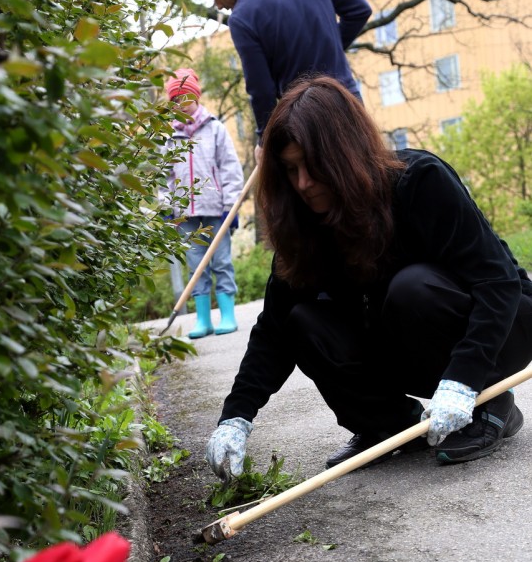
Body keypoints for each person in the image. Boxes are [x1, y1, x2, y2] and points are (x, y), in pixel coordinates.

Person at [206, 75, 532, 479]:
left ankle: (491, 402)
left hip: (502, 329)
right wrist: (235, 418)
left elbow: (497, 283)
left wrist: (465, 380)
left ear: (344, 153)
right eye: (291, 170)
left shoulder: (419, 182)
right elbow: (273, 331)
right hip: (407, 343)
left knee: (411, 288)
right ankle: (389, 423)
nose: (303, 184)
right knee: (302, 322)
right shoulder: (307, 225)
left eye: (313, 165)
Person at [213, 0, 371, 155]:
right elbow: (360, 11)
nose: (218, 5)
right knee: (369, 174)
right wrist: (329, 49)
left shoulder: (242, 17)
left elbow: (261, 90)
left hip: (308, 118)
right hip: (348, 101)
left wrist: (265, 141)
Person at [161, 68, 245, 339]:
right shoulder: (169, 137)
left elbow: (230, 168)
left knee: (221, 261)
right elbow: (163, 176)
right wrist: (166, 207)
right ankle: (203, 319)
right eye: (176, 101)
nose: (182, 105)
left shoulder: (215, 128)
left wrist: (231, 207)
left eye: (186, 99)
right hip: (185, 216)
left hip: (216, 211)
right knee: (195, 266)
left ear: (196, 98)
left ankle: (228, 314)